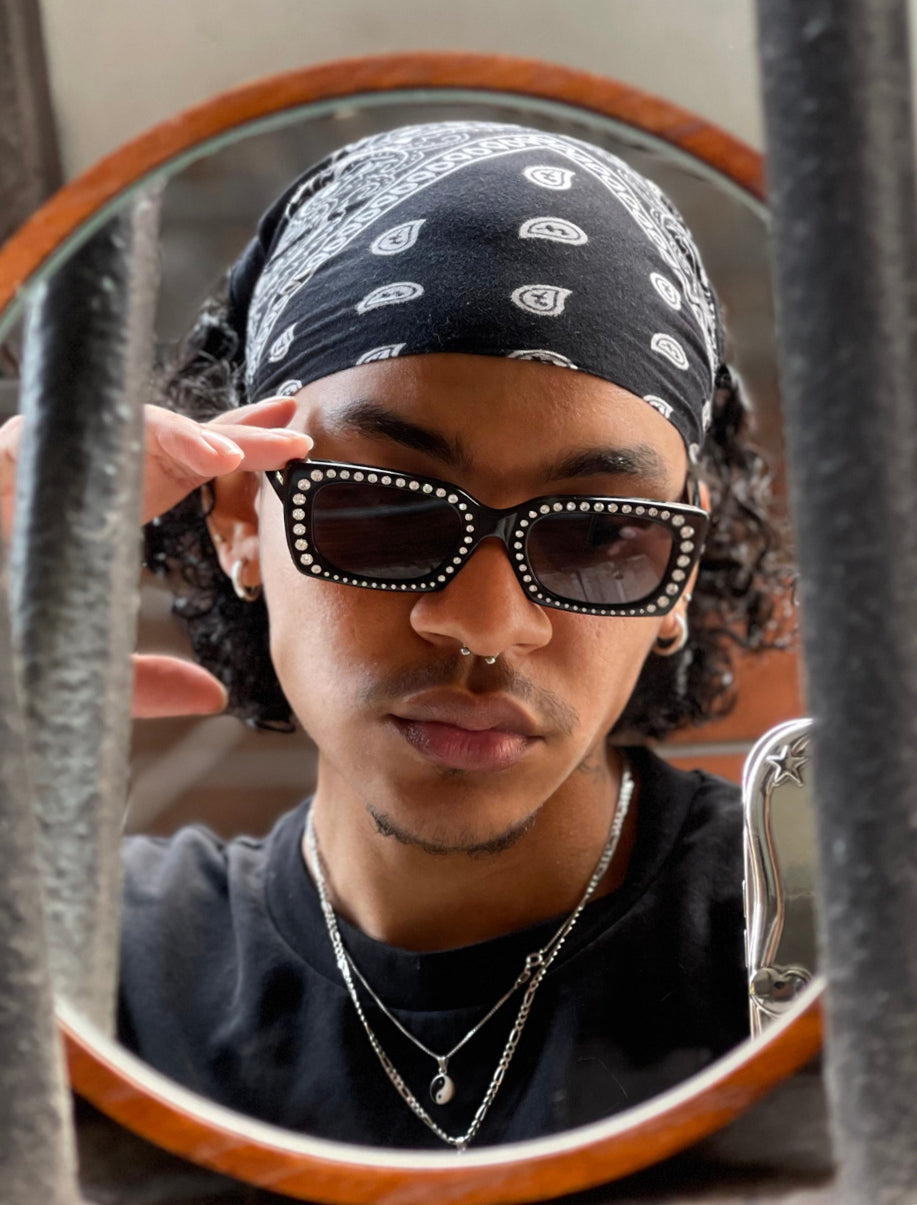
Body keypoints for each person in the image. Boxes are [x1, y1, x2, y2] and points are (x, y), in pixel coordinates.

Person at [1, 121, 787, 1151]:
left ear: (676, 569)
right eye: (385, 509)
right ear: (240, 514)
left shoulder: (818, 933)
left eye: (599, 534)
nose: (482, 621)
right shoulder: (95, 961)